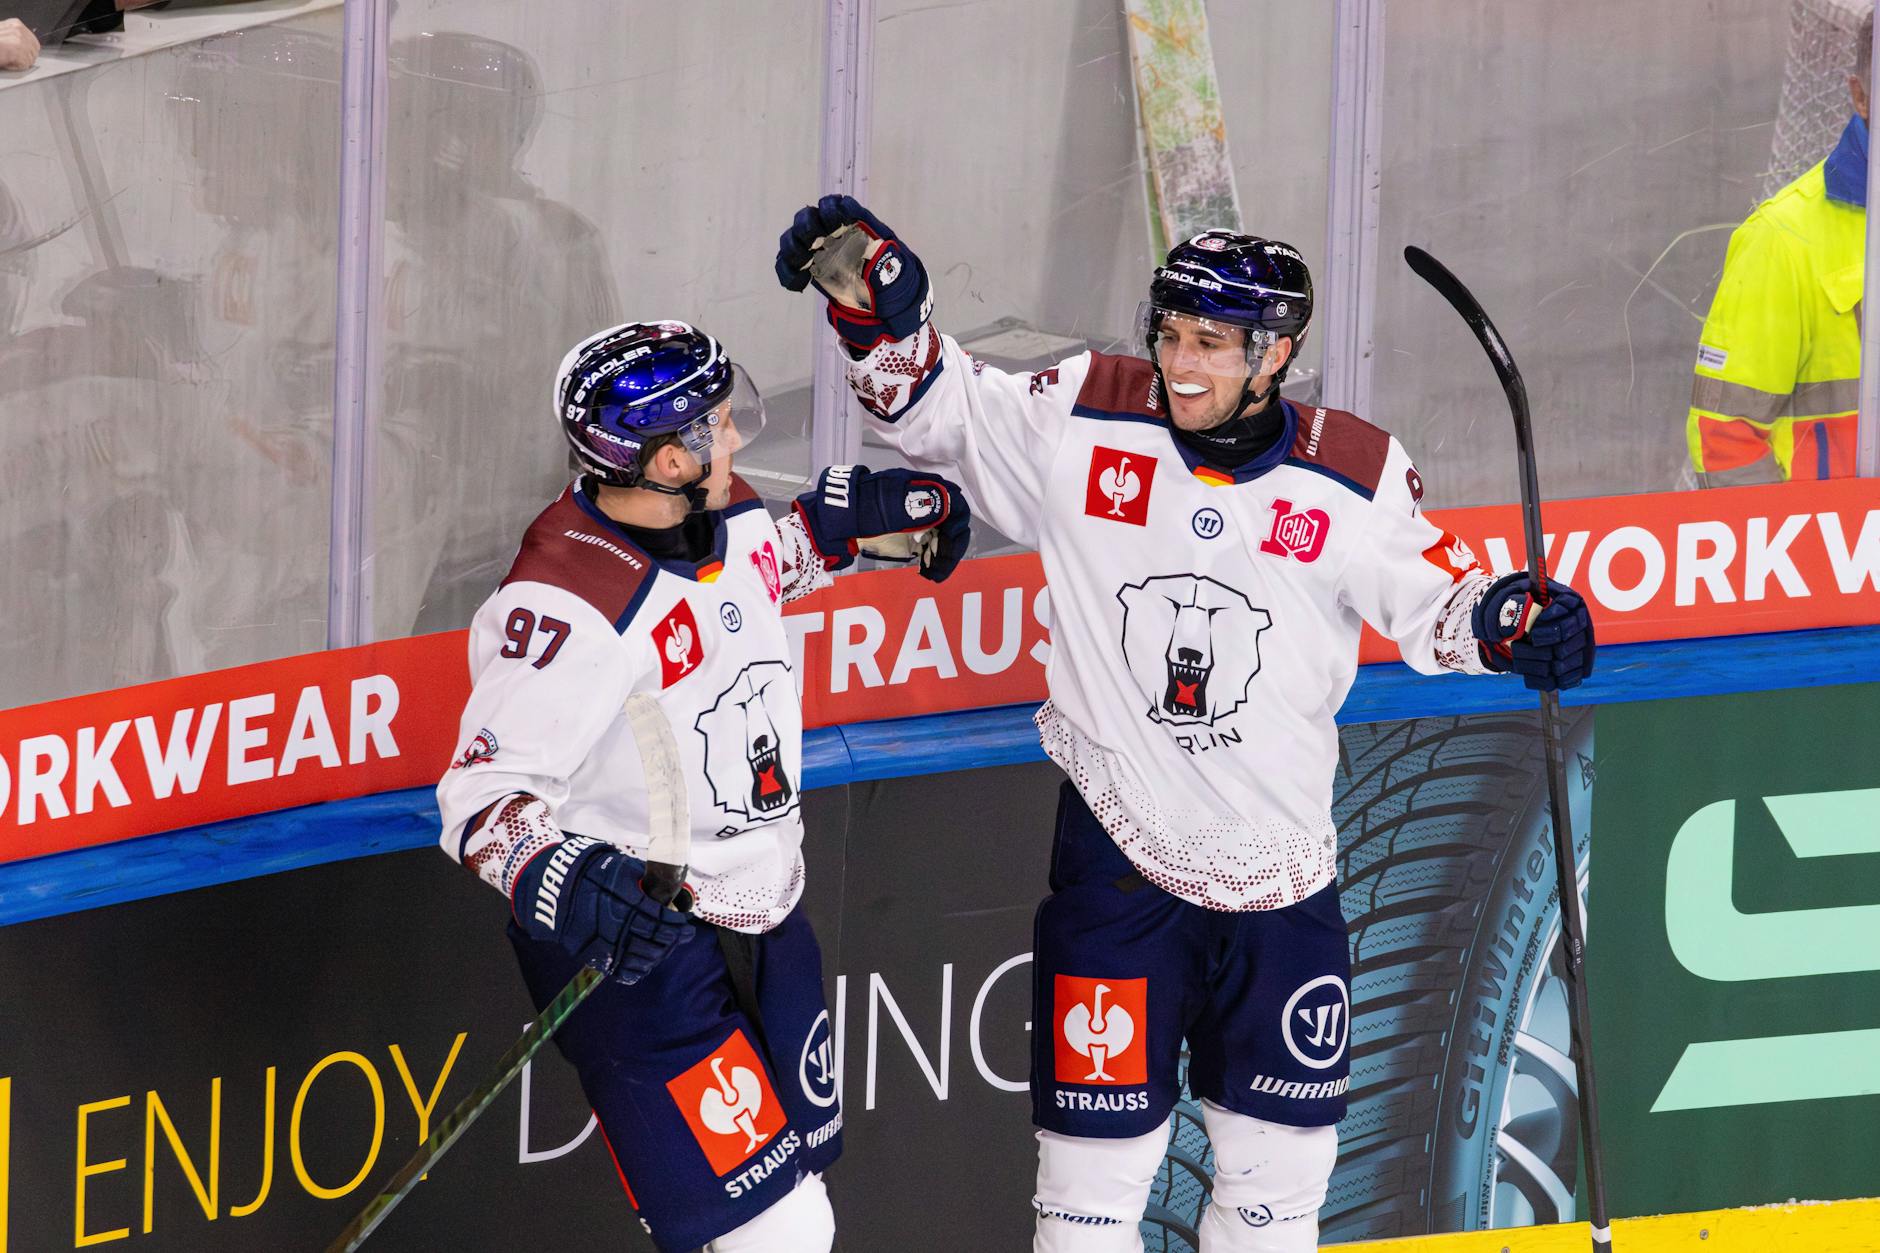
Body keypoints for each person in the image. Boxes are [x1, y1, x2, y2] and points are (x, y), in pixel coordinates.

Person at [774, 200, 1595, 1253]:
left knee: (1275, 1201)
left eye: (1209, 341)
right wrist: (881, 320)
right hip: (1119, 871)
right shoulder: (1085, 412)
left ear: (1276, 353)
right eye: (1167, 334)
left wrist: (1512, 620)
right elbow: (944, 413)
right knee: (1087, 1201)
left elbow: (1436, 597)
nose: (1178, 362)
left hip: (1281, 882)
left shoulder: (1353, 472)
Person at [434, 320, 970, 1252]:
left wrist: (840, 529)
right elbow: (481, 799)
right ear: (666, 458)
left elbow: (748, 578)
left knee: (795, 1200)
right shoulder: (566, 602)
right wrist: (570, 879)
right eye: (716, 426)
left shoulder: (723, 509)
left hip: (766, 903)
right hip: (644, 944)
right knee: (781, 1230)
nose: (734, 439)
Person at [1688, 7, 1873, 486]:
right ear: (1860, 96)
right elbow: (1724, 439)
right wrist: (1811, 532)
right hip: (1840, 532)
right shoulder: (1782, 240)